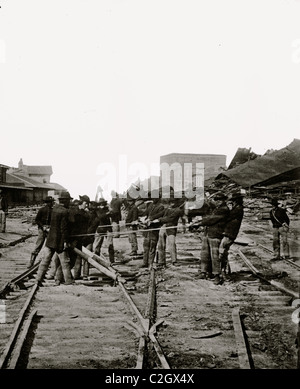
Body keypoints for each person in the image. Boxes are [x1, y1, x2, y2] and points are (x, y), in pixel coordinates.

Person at [35, 190, 75, 286]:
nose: (69, 202)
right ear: (65, 201)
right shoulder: (65, 212)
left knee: (45, 260)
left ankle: (38, 279)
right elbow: (63, 228)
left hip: (50, 240)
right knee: (65, 261)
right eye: (68, 200)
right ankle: (68, 280)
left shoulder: (54, 209)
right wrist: (65, 241)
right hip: (59, 241)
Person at [197, 191, 229, 285]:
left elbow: (212, 219)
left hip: (216, 235)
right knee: (204, 255)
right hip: (208, 234)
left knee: (215, 257)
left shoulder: (224, 209)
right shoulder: (216, 208)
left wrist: (200, 222)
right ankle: (204, 272)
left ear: (223, 200)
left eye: (219, 200)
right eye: (216, 200)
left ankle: (217, 275)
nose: (217, 201)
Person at [219, 192, 244, 276]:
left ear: (236, 201)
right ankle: (225, 271)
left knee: (222, 252)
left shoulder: (238, 209)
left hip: (230, 233)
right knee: (224, 252)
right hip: (230, 233)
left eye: (233, 201)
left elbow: (227, 217)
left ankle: (224, 272)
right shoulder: (237, 208)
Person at [157, 197, 184, 267]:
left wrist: (159, 220)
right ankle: (161, 261)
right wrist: (151, 218)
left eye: (172, 203)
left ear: (175, 203)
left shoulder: (178, 210)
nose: (171, 204)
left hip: (171, 229)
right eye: (170, 203)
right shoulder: (167, 209)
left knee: (172, 245)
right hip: (163, 227)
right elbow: (160, 214)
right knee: (160, 245)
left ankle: (174, 260)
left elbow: (170, 218)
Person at [28, 196, 55, 268]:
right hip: (42, 229)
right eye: (50, 202)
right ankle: (31, 262)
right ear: (47, 203)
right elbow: (37, 220)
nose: (51, 203)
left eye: (51, 202)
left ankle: (48, 262)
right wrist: (42, 226)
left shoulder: (53, 210)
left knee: (50, 246)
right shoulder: (42, 210)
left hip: (50, 229)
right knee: (38, 245)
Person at [68, 195, 91, 279]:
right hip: (73, 238)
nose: (87, 205)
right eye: (86, 203)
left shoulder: (84, 213)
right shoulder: (75, 212)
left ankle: (76, 276)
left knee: (77, 257)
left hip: (79, 238)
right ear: (81, 203)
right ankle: (62, 275)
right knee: (70, 258)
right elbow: (73, 226)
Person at [142, 192, 165, 268]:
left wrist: (151, 219)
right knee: (145, 246)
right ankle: (145, 262)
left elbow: (160, 215)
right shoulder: (150, 205)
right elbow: (146, 213)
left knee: (152, 247)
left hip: (154, 229)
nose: (153, 199)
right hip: (147, 230)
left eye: (155, 197)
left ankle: (150, 263)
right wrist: (144, 218)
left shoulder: (161, 206)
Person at [92, 198, 115, 263]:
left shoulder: (107, 209)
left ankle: (112, 260)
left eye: (103, 204)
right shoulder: (97, 210)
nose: (102, 205)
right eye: (101, 204)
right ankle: (97, 260)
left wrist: (111, 211)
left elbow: (114, 215)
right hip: (100, 229)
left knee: (110, 245)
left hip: (108, 229)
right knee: (97, 245)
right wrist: (108, 213)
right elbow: (100, 217)